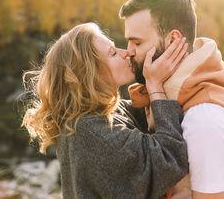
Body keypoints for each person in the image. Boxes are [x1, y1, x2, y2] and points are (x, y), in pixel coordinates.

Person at [119, 0, 224, 199]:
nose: (129, 51)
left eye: (137, 42)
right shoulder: (185, 98)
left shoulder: (204, 120)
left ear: (173, 40)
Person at [21, 23, 190, 199]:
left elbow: (154, 116)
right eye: (113, 53)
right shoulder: (89, 130)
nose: (127, 53)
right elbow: (170, 161)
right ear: (91, 74)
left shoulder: (101, 115)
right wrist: (154, 84)